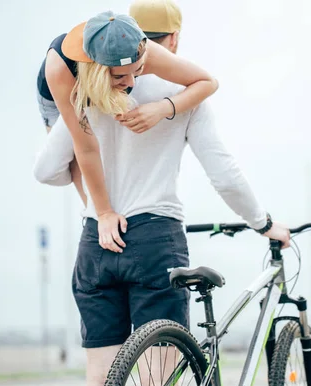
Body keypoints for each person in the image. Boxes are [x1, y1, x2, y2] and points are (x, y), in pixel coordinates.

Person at [34, 10, 292, 386]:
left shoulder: (82, 89)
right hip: (155, 240)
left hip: (98, 242)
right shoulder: (188, 96)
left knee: (100, 382)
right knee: (159, 383)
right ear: (172, 41)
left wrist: (99, 206)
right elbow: (225, 176)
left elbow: (46, 170)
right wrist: (263, 223)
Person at [34, 2, 216, 246]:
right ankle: (95, 220)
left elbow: (208, 82)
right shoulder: (60, 71)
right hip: (63, 90)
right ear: (101, 71)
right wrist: (104, 214)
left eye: (138, 71)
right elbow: (86, 147)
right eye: (121, 76)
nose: (131, 81)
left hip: (109, 74)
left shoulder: (145, 50)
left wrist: (162, 109)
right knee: (76, 160)